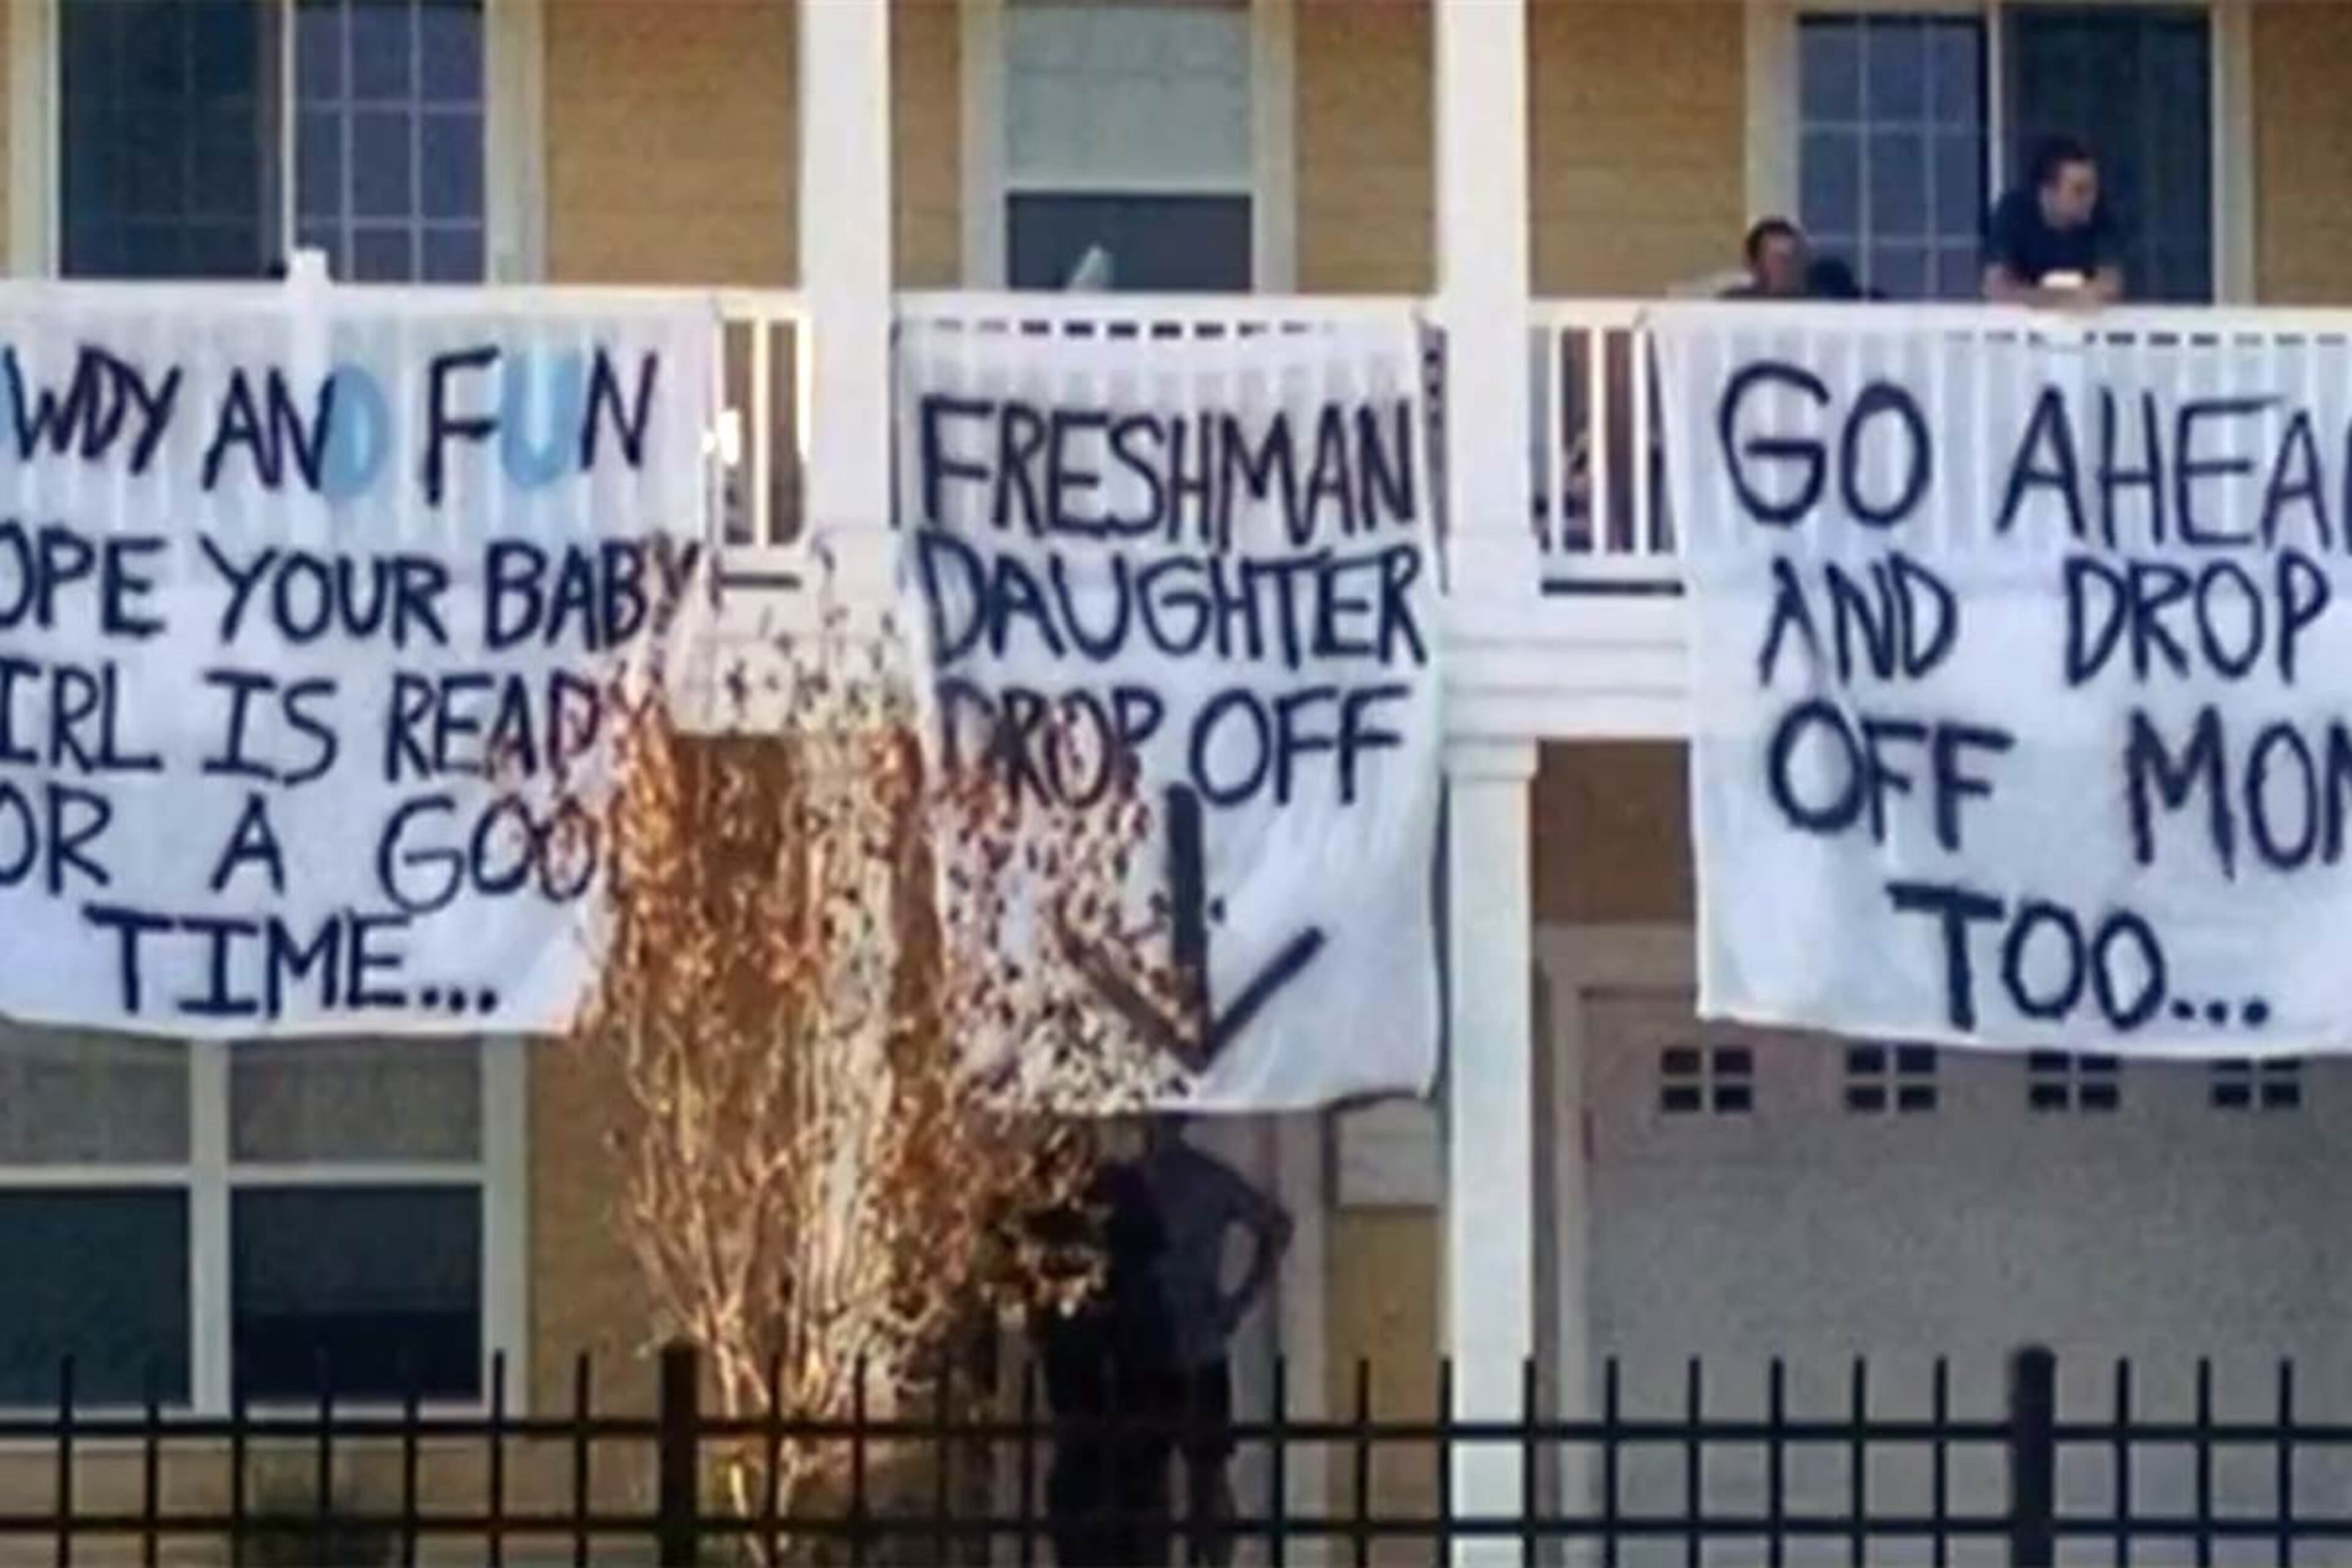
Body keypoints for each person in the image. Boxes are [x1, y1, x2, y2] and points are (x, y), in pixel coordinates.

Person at [1138, 1120, 1294, 1567]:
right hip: (1185, 1341)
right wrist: (1238, 1302)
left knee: (1166, 1477)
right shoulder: (1204, 1177)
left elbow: (1277, 1228)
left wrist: (1238, 1302)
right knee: (1202, 1472)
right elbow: (1277, 1227)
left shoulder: (1140, 1180)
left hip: (1160, 1343)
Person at [1031, 1158, 1180, 1567]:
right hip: (1115, 1464)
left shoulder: (1116, 1299)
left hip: (1108, 1463)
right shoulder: (1143, 1298)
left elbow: (1065, 1377)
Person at [1982, 136, 2123, 307]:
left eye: (2094, 190)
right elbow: (1995, 286)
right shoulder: (2014, 213)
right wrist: (2060, 301)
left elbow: (2111, 284)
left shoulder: (2100, 215)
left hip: (2083, 328)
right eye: (2079, 191)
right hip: (2021, 329)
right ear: (2048, 192)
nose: (2090, 199)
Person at [1726, 217, 1811, 299]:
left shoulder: (1817, 303)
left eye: (1794, 257)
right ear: (1753, 264)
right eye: (1778, 259)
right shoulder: (1734, 304)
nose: (1789, 266)